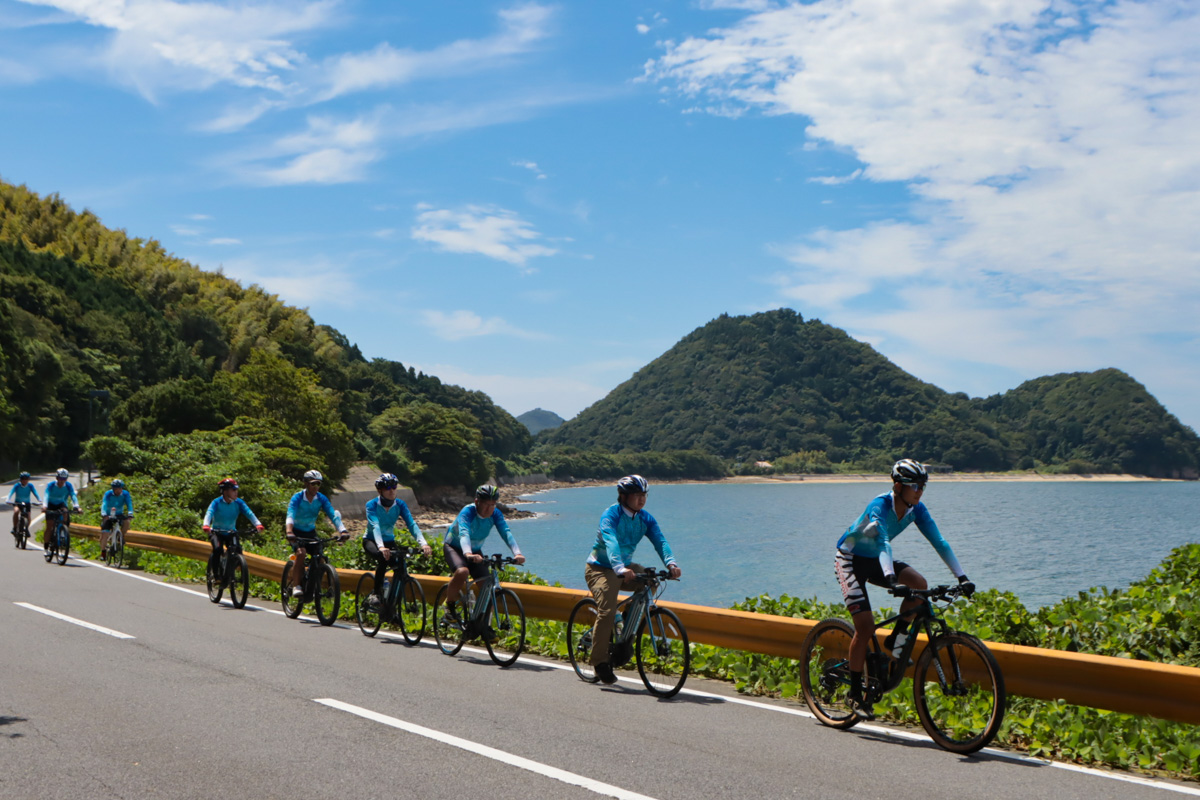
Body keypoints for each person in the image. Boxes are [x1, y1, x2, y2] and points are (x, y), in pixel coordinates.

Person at [834, 458, 976, 719]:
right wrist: (890, 579)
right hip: (851, 559)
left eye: (923, 486)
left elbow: (940, 542)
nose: (919, 491)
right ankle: (855, 693)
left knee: (919, 585)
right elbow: (884, 542)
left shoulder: (917, 510)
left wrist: (962, 577)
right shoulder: (880, 505)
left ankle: (895, 638)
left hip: (875, 559)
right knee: (865, 627)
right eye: (914, 486)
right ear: (898, 486)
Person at [584, 474, 682, 684]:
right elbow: (610, 541)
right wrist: (619, 566)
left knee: (651, 581)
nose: (642, 499)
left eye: (644, 495)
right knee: (608, 611)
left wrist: (671, 564)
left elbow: (660, 540)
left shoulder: (645, 518)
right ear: (623, 496)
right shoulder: (611, 514)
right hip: (600, 568)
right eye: (637, 495)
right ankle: (600, 662)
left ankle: (627, 624)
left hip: (625, 567)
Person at [442, 485, 525, 635]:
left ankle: (484, 625)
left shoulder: (496, 514)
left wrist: (517, 553)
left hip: (474, 551)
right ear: (477, 502)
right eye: (486, 504)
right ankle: (449, 607)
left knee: (487, 587)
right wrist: (467, 553)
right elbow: (464, 533)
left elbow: (506, 533)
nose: (489, 509)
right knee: (462, 572)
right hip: (454, 547)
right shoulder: (468, 512)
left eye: (493, 505)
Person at [363, 473, 431, 605]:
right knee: (383, 557)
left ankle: (392, 605)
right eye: (387, 487)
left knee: (400, 567)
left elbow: (411, 524)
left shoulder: (400, 504)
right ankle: (376, 593)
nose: (391, 490)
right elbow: (375, 526)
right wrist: (381, 547)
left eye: (394, 486)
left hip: (389, 541)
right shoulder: (371, 505)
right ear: (380, 490)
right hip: (371, 540)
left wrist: (424, 544)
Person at [284, 469, 347, 597]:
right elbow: (290, 515)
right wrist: (289, 531)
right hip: (296, 532)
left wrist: (342, 530)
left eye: (318, 484)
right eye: (313, 484)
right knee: (301, 554)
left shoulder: (321, 498)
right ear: (306, 484)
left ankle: (315, 585)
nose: (316, 487)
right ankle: (296, 585)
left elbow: (332, 514)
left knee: (321, 559)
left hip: (310, 532)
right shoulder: (297, 498)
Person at [202, 477, 264, 565]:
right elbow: (209, 513)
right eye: (233, 490)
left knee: (238, 552)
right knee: (217, 550)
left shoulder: (239, 503)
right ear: (225, 491)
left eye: (236, 490)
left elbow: (249, 513)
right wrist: (206, 525)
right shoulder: (216, 502)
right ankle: (217, 577)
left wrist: (258, 524)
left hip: (231, 532)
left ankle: (230, 573)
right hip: (217, 532)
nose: (236, 492)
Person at [42, 468, 80, 548]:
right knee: (49, 526)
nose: (62, 481)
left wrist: (77, 506)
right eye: (60, 479)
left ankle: (63, 531)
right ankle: (46, 544)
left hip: (61, 504)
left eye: (64, 479)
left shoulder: (68, 485)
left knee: (65, 512)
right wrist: (44, 506)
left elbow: (73, 495)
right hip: (50, 504)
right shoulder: (51, 485)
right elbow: (46, 495)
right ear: (57, 478)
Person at [99, 479, 134, 560]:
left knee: (127, 522)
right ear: (113, 489)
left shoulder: (125, 494)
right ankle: (103, 552)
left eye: (119, 488)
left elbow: (129, 503)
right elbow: (104, 504)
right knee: (105, 534)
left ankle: (121, 536)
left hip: (119, 514)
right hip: (108, 514)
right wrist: (104, 513)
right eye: (116, 489)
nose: (118, 490)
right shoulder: (108, 494)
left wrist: (130, 513)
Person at [7, 471, 41, 541]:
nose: (25, 480)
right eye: (23, 479)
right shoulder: (17, 485)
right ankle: (15, 527)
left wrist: (39, 500)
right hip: (18, 503)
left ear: (28, 479)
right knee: (16, 511)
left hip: (27, 503)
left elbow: (35, 492)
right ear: (20, 479)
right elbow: (11, 492)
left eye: (26, 479)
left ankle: (26, 529)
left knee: (28, 516)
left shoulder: (30, 486)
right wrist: (8, 499)